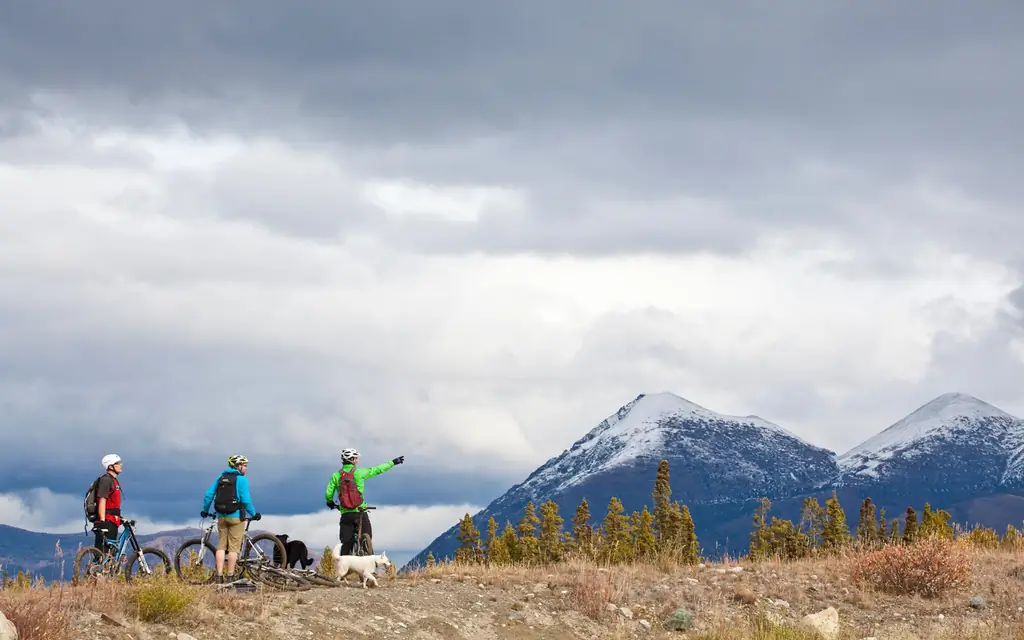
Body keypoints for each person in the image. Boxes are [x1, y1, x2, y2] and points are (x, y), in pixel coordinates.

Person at [324, 448, 403, 555]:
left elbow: (329, 493)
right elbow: (377, 470)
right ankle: (372, 566)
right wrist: (393, 462)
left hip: (346, 513)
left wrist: (330, 503)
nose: (357, 460)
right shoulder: (359, 473)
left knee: (346, 543)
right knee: (367, 536)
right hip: (360, 511)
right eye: (356, 458)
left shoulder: (336, 476)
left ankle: (345, 568)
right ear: (352, 459)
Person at [202, 454, 260, 584]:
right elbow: (245, 499)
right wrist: (254, 513)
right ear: (238, 466)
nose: (245, 468)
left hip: (221, 516)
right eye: (244, 465)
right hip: (236, 517)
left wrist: (205, 511)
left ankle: (219, 576)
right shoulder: (242, 480)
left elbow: (208, 495)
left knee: (221, 547)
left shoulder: (220, 478)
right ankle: (230, 576)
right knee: (234, 548)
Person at [93, 454, 123, 553]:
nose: (121, 465)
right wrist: (102, 521)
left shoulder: (114, 481)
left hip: (114, 520)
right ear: (110, 466)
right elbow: (102, 499)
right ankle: (97, 568)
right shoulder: (106, 480)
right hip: (107, 520)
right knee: (103, 552)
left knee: (110, 552)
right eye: (117, 463)